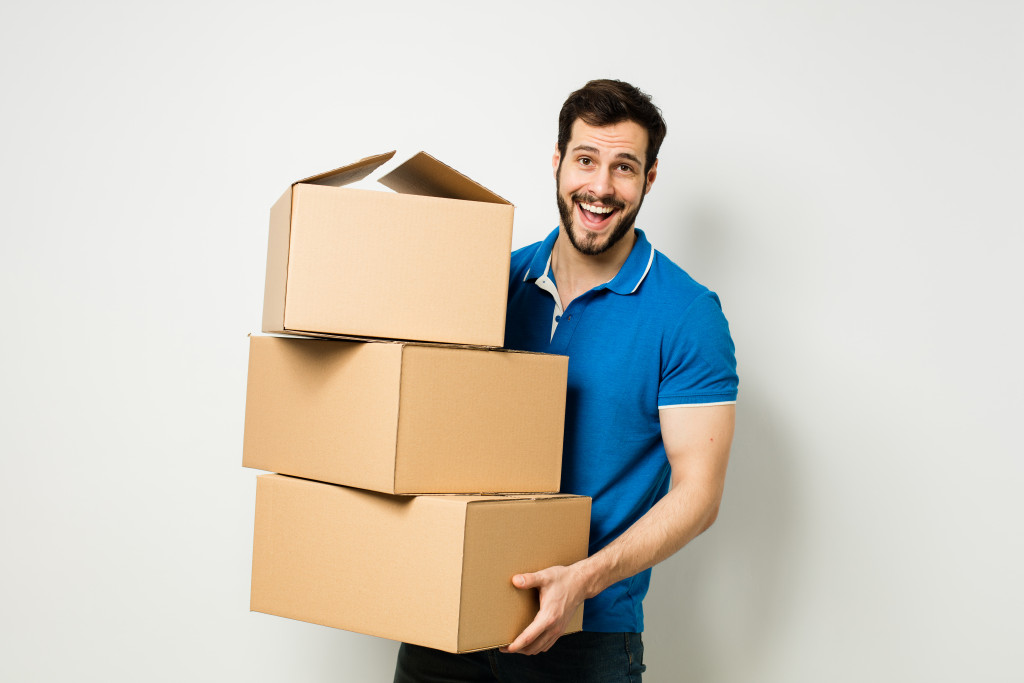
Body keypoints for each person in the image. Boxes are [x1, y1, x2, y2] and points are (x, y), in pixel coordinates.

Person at [394, 79, 738, 682]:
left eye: (624, 167)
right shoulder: (491, 283)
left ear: (649, 178)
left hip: (586, 636)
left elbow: (699, 493)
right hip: (447, 619)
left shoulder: (687, 315)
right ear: (557, 162)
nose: (600, 187)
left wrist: (583, 578)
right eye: (585, 160)